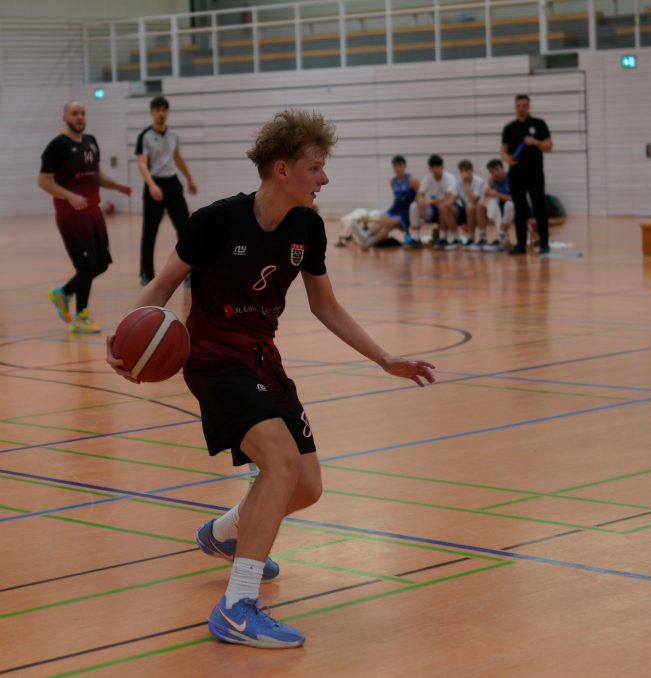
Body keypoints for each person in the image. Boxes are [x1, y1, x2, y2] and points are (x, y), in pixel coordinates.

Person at [107, 109, 436, 648]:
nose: (324, 178)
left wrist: (384, 358)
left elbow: (325, 305)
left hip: (263, 358)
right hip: (212, 357)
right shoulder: (215, 221)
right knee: (279, 462)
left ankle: (225, 532)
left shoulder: (308, 227)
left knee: (306, 486)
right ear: (282, 170)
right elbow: (163, 285)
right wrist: (122, 336)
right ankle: (238, 606)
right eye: (316, 167)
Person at [38, 101, 131, 333]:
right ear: (65, 117)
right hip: (72, 215)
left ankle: (64, 293)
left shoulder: (91, 141)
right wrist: (70, 196)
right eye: (74, 113)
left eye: (82, 113)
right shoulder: (57, 146)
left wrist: (116, 186)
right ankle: (81, 316)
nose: (79, 117)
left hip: (93, 211)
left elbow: (95, 175)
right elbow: (44, 181)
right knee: (87, 265)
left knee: (101, 264)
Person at [136, 96, 197, 285]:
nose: (161, 113)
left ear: (167, 112)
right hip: (154, 185)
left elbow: (177, 157)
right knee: (150, 231)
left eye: (164, 110)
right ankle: (146, 273)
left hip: (172, 185)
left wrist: (189, 178)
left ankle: (188, 272)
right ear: (152, 112)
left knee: (185, 228)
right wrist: (152, 185)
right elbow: (142, 163)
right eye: (157, 110)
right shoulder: (145, 136)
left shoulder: (173, 135)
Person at [501, 94, 553, 255]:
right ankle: (521, 245)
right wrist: (508, 160)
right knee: (520, 210)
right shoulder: (509, 128)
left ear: (529, 107)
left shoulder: (539, 124)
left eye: (524, 106)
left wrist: (536, 142)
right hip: (516, 176)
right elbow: (503, 151)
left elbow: (549, 146)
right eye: (518, 106)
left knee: (539, 208)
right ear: (515, 107)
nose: (521, 108)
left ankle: (544, 243)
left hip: (535, 174)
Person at [409, 154, 457, 250]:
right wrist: (421, 200)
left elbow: (449, 197)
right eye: (432, 167)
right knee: (414, 206)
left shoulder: (449, 178)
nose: (435, 170)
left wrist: (430, 202)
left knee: (443, 206)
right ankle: (416, 238)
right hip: (434, 209)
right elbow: (419, 194)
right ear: (430, 168)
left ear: (442, 167)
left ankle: (448, 237)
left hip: (451, 208)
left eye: (437, 167)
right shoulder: (427, 178)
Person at [456, 159, 488, 248]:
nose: (464, 173)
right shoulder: (458, 184)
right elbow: (455, 199)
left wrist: (466, 184)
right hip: (465, 209)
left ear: (471, 171)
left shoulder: (479, 181)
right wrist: (460, 221)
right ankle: (470, 238)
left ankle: (482, 237)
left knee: (472, 207)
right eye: (462, 171)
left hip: (482, 208)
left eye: (466, 170)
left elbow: (473, 199)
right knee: (463, 208)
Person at [485, 158, 515, 250]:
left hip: (518, 206)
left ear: (503, 168)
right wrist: (489, 186)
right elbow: (487, 193)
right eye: (491, 171)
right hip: (502, 208)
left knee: (509, 205)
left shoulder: (511, 177)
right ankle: (500, 237)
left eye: (496, 169)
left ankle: (501, 234)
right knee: (493, 202)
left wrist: (496, 194)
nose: (495, 173)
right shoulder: (492, 180)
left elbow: (514, 199)